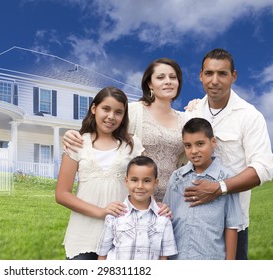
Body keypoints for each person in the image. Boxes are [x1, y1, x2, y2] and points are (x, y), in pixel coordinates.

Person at [184, 48, 273, 259]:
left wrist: (219, 188)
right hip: (193, 221)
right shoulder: (192, 112)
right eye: (209, 73)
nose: (214, 80)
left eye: (222, 74)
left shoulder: (250, 116)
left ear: (233, 76)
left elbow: (262, 168)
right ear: (200, 75)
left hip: (232, 224)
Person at [63, 58, 187, 202]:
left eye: (173, 77)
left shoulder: (185, 119)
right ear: (149, 84)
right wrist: (70, 134)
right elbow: (103, 128)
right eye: (160, 77)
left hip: (173, 199)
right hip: (133, 199)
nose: (168, 81)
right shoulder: (133, 111)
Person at [55, 86, 144, 260]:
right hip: (83, 235)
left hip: (121, 235)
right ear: (94, 109)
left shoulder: (133, 145)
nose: (111, 116)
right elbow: (62, 194)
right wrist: (101, 211)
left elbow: (143, 186)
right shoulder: (77, 143)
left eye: (118, 112)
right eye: (106, 109)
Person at [163, 117, 243, 259]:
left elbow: (231, 226)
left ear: (213, 142)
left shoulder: (227, 179)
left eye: (200, 144)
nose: (194, 151)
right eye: (188, 145)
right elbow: (166, 219)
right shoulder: (177, 177)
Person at [96, 156, 177, 260]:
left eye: (146, 181)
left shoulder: (163, 218)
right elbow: (102, 255)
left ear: (155, 183)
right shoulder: (115, 215)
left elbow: (163, 257)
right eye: (134, 180)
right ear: (126, 181)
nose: (140, 186)